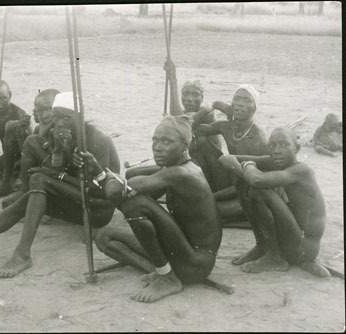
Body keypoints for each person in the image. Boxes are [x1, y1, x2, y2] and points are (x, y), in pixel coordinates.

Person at [0, 92, 120, 278]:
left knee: (39, 180)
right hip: (76, 200)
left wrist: (52, 175)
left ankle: (22, 254)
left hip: (96, 209)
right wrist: (58, 150)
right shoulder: (62, 133)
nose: (59, 123)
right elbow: (60, 167)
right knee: (27, 199)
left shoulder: (97, 140)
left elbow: (102, 192)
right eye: (56, 117)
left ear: (79, 117)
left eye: (66, 118)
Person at [91, 115, 222, 303]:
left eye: (167, 142)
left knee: (135, 204)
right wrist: (104, 177)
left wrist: (101, 174)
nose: (158, 147)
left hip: (196, 263)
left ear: (185, 146)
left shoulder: (181, 173)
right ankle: (163, 271)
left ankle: (167, 277)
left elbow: (121, 195)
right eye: (155, 140)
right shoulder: (173, 168)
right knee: (104, 237)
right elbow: (122, 199)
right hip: (182, 253)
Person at [218, 127, 331, 278]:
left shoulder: (302, 171)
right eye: (272, 146)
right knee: (243, 183)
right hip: (289, 238)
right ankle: (263, 246)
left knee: (258, 190)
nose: (277, 151)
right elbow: (225, 158)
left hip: (304, 247)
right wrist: (246, 172)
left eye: (284, 145)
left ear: (297, 148)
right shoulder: (275, 161)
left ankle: (276, 258)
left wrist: (248, 165)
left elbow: (257, 180)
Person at [195, 85, 269, 225]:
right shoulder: (226, 126)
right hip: (229, 181)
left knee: (203, 213)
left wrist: (211, 197)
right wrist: (213, 105)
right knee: (202, 141)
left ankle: (214, 200)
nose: (240, 104)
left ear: (254, 108)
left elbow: (257, 182)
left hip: (247, 190)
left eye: (246, 100)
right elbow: (191, 129)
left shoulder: (257, 138)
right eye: (237, 99)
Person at [163, 59, 226, 191]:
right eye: (186, 94)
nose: (190, 99)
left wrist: (172, 79)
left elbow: (180, 121)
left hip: (210, 175)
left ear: (202, 98)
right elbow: (178, 117)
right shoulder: (185, 113)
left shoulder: (207, 114)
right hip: (193, 169)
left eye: (195, 94)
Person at [0, 80, 32, 199]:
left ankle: (7, 181)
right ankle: (4, 177)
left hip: (21, 159)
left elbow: (28, 148)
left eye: (2, 98)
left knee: (10, 126)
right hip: (6, 159)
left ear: (10, 95)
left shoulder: (19, 114)